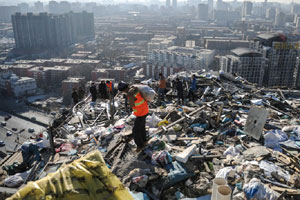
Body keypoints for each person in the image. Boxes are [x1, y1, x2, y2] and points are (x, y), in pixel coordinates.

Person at [118, 81, 148, 152]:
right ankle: (144, 141)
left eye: (122, 91)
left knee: (135, 131)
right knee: (142, 127)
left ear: (124, 90)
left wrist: (134, 112)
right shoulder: (134, 88)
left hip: (140, 113)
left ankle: (140, 146)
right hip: (145, 110)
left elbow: (132, 105)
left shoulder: (130, 94)